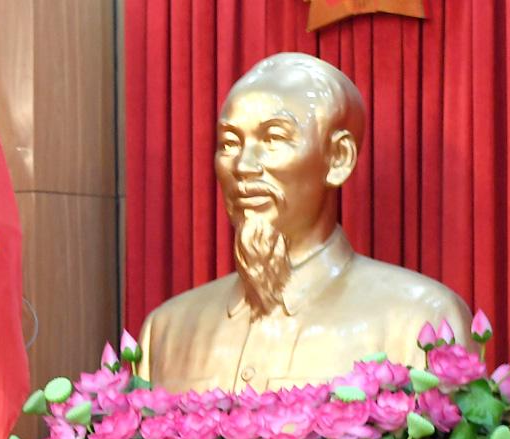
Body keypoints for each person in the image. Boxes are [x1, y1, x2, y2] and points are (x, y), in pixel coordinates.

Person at [139, 52, 468, 392]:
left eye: (273, 139)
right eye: (230, 143)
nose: (243, 166)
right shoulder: (166, 331)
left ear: (338, 158)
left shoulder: (419, 320)